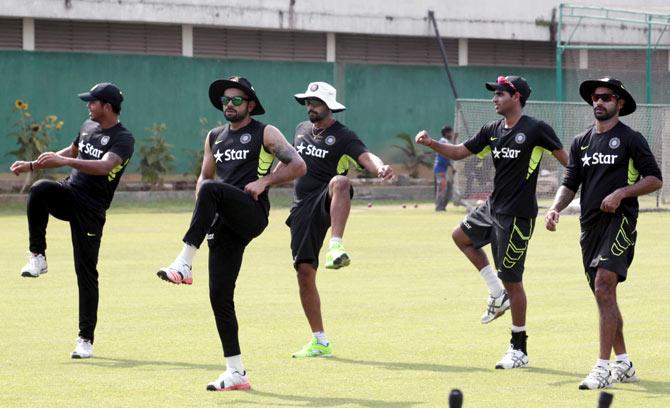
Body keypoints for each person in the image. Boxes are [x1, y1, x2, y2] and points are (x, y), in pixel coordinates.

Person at [156, 76, 306, 391]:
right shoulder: (214, 137)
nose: (229, 105)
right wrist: (204, 213)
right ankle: (235, 372)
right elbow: (204, 178)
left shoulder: (265, 132)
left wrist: (264, 183)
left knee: (212, 190)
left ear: (250, 104)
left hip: (252, 212)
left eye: (236, 100)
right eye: (225, 100)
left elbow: (298, 165)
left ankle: (184, 263)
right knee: (219, 297)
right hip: (222, 221)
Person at [415, 75, 568, 369]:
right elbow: (460, 152)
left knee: (513, 280)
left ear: (517, 97)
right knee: (460, 237)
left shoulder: (536, 129)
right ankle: (496, 293)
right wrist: (432, 143)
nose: (494, 99)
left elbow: (568, 164)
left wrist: (564, 202)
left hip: (519, 215)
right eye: (494, 94)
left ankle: (519, 349)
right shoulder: (492, 130)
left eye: (500, 94)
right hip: (493, 207)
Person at [544, 77, 662, 390]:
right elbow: (570, 182)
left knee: (604, 285)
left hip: (620, 221)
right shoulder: (581, 141)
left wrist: (622, 192)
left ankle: (602, 368)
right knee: (604, 296)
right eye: (596, 97)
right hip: (589, 227)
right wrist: (555, 208)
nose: (599, 102)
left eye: (606, 97)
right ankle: (624, 363)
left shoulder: (631, 138)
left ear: (619, 103)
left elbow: (655, 179)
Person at [10, 83, 134, 359]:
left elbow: (104, 166)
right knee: (40, 189)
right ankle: (37, 256)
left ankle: (85, 339)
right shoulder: (87, 126)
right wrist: (32, 165)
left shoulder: (123, 138)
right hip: (70, 192)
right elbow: (71, 151)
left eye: (93, 102)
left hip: (92, 208)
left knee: (86, 274)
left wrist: (65, 162)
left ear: (108, 107)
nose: (88, 106)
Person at [280, 81, 393, 358]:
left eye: (316, 102)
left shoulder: (343, 135)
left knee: (341, 181)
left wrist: (380, 167)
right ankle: (320, 341)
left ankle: (337, 245)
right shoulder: (300, 130)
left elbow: (365, 156)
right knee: (304, 273)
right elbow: (286, 163)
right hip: (301, 208)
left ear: (329, 107)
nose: (310, 107)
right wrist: (263, 182)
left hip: (328, 197)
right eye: (308, 102)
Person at [434, 125, 457, 211]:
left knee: (447, 188)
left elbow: (448, 156)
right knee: (442, 188)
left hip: (443, 169)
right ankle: (439, 208)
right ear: (447, 133)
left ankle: (442, 206)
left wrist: (452, 167)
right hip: (440, 170)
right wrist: (455, 139)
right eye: (451, 132)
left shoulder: (445, 141)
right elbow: (452, 149)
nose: (452, 134)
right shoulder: (443, 141)